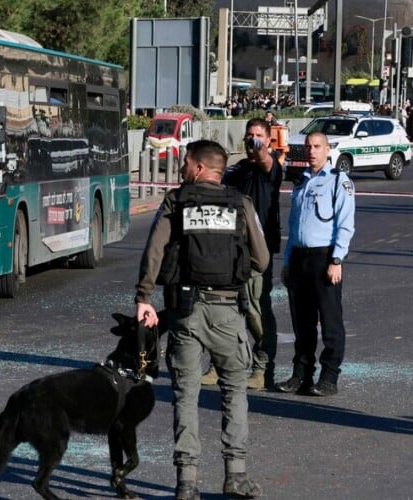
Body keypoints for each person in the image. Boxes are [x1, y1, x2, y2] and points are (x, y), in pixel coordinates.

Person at [135, 140, 270, 500]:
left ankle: (186, 482)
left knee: (186, 395)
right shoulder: (240, 204)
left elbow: (154, 250)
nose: (181, 170)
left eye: (185, 163)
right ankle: (236, 475)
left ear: (197, 168)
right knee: (234, 391)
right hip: (227, 312)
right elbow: (262, 260)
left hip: (185, 312)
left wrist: (144, 297)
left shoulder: (176, 202)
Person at [201, 118, 282, 390]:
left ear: (269, 140)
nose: (253, 139)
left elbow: (266, 162)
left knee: (256, 312)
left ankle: (261, 369)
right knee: (222, 311)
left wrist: (260, 149)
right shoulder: (237, 169)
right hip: (229, 253)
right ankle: (218, 366)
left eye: (259, 135)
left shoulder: (270, 167)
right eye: (249, 134)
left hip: (257, 254)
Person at [276, 131, 355, 397]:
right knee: (302, 323)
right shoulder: (301, 183)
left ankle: (329, 377)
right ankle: (302, 374)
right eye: (308, 146)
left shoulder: (338, 182)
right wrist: (287, 262)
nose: (311, 151)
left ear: (327, 150)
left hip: (324, 258)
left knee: (331, 322)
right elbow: (294, 226)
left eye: (317, 146)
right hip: (299, 258)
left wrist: (336, 259)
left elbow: (345, 225)